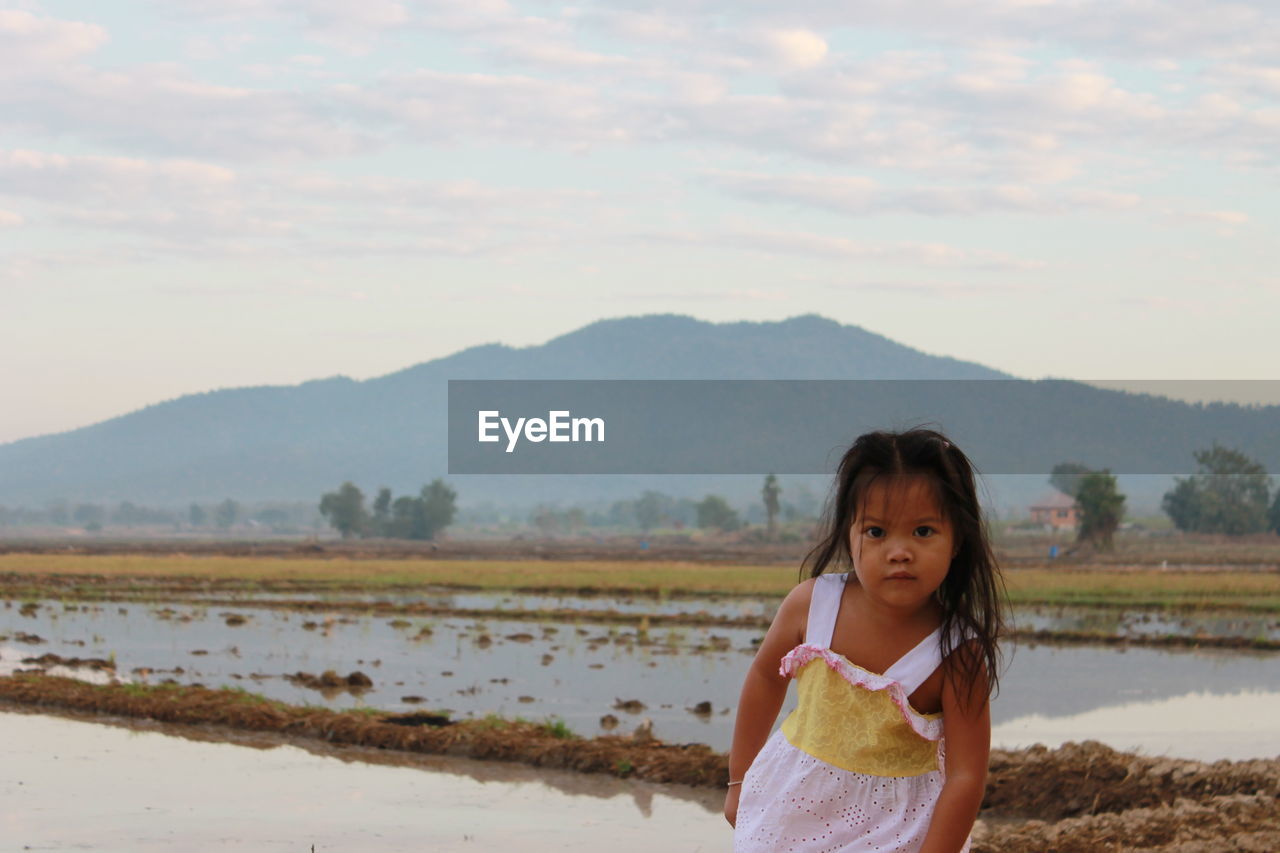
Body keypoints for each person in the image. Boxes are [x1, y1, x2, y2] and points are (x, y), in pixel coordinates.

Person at [725, 428, 1006, 852]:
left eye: (923, 531)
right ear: (848, 534)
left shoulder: (956, 653)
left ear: (957, 540)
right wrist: (738, 781)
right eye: (876, 532)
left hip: (895, 832)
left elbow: (967, 776)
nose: (899, 552)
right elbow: (766, 677)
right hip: (791, 811)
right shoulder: (811, 604)